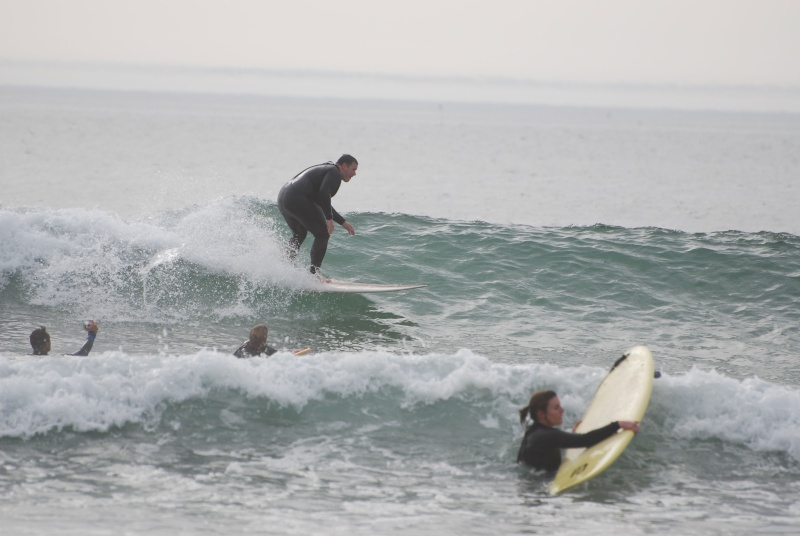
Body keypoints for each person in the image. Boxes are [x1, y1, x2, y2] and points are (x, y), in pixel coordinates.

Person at [277, 154, 358, 281]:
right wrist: (329, 219)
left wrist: (342, 222)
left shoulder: (327, 170)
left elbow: (322, 199)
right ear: (343, 166)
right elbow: (324, 194)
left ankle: (281, 266)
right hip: (296, 198)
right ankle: (314, 275)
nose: (354, 174)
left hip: (285, 197)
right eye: (353, 169)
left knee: (299, 234)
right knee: (323, 234)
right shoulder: (334, 173)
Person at [516, 389, 640, 472]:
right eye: (556, 407)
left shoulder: (534, 432)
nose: (562, 410)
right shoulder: (546, 436)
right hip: (537, 488)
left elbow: (553, 443)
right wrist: (617, 425)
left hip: (529, 482)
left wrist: (571, 437)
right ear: (541, 414)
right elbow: (586, 440)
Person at [29, 320, 100, 356]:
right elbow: (81, 353)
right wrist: (92, 334)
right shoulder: (51, 360)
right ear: (46, 344)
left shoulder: (28, 360)